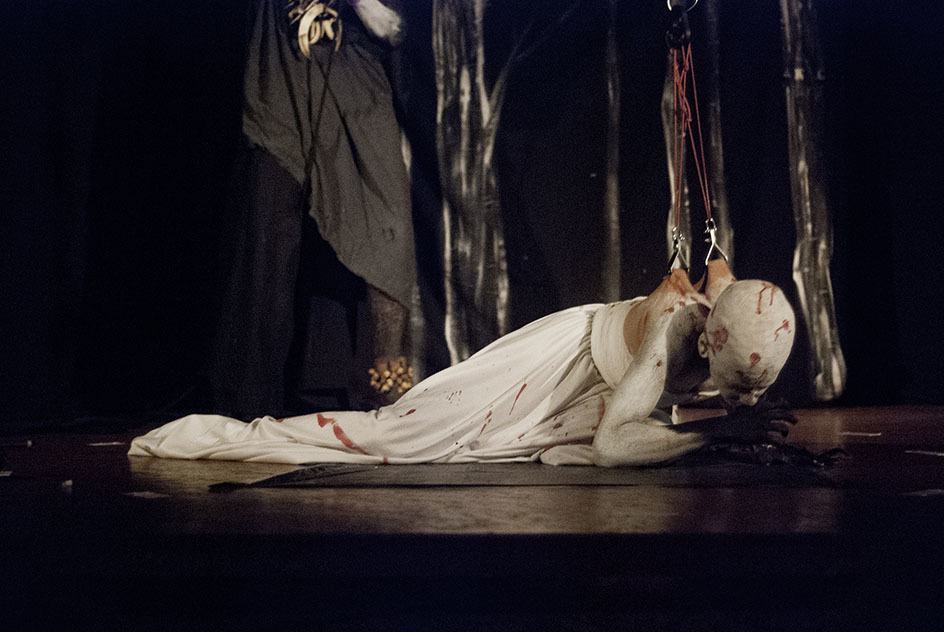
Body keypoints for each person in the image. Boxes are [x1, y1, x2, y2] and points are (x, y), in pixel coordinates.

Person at [131, 260, 798, 466]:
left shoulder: (731, 304)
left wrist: (735, 417)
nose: (741, 398)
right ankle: (215, 436)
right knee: (397, 436)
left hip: (591, 392)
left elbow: (721, 275)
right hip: (555, 367)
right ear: (708, 342)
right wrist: (720, 433)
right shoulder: (669, 333)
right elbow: (614, 443)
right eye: (737, 386)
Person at [208, 0, 415, 418]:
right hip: (281, 67)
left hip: (353, 73)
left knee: (387, 224)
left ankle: (387, 387)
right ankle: (248, 403)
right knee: (268, 236)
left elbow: (392, 28)